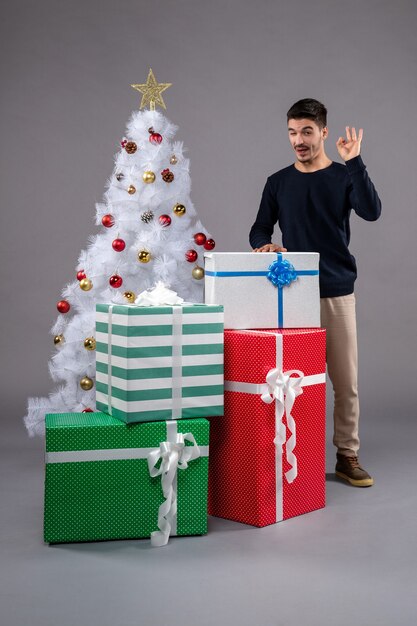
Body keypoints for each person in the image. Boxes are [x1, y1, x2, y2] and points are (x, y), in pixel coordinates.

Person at [249, 98, 381, 487]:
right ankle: (298, 460)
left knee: (346, 382)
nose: (298, 140)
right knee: (294, 385)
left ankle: (346, 456)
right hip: (292, 295)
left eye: (307, 132)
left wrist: (355, 161)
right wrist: (265, 246)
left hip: (337, 292)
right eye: (292, 132)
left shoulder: (343, 177)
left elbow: (372, 211)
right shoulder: (277, 182)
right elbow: (259, 229)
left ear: (324, 132)